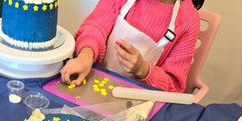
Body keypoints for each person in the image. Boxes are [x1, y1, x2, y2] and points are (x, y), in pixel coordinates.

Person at [60, 0, 204, 93]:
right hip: (91, 80)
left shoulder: (188, 20)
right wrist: (86, 55)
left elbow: (174, 85)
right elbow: (95, 27)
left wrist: (144, 70)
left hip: (137, 100)